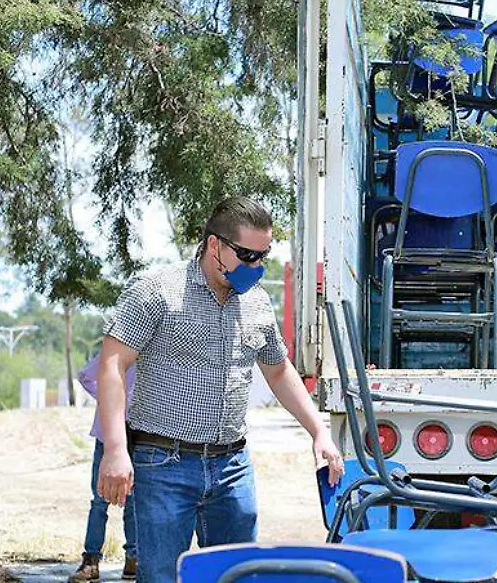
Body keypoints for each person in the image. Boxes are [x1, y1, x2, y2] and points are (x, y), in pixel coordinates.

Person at [94, 196, 344, 583]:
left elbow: (279, 372)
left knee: (239, 576)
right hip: (163, 466)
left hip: (232, 469)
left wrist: (319, 431)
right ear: (215, 246)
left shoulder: (257, 303)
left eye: (263, 255)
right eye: (247, 255)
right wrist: (114, 449)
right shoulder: (156, 290)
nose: (256, 266)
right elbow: (112, 364)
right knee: (161, 577)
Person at [68, 351, 137, 583]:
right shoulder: (115, 352)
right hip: (108, 434)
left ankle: (133, 560)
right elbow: (85, 376)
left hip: (140, 434)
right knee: (99, 500)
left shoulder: (152, 353)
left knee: (134, 500)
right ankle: (91, 561)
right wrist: (110, 398)